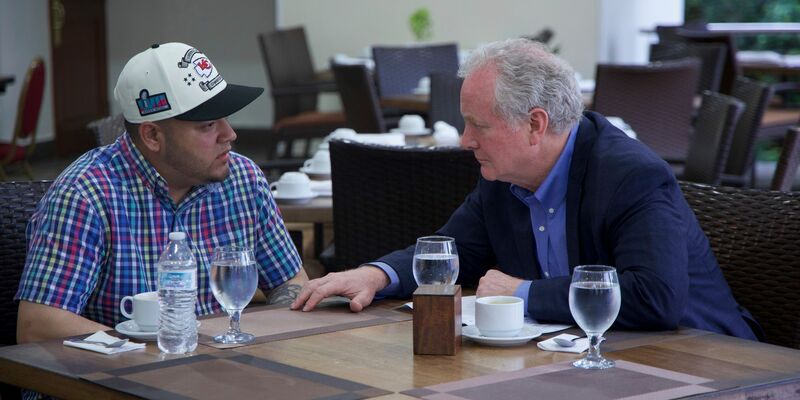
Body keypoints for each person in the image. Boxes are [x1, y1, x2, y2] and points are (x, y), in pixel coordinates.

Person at [292, 38, 759, 340]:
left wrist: (524, 293)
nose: (465, 140)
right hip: (588, 360)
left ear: (536, 125)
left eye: (478, 125)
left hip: (704, 360)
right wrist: (377, 276)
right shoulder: (504, 176)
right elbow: (453, 251)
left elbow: (654, 297)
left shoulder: (629, 175)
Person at [16, 42, 308, 343]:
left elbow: (290, 282)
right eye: (208, 125)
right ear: (153, 135)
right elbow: (38, 325)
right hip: (117, 379)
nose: (229, 134)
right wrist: (149, 353)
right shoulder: (85, 195)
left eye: (226, 118)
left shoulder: (243, 180)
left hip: (223, 373)